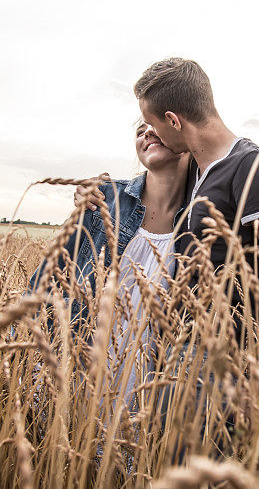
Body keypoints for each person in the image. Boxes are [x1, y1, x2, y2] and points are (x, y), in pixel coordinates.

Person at [133, 58, 259, 373]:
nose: (152, 134)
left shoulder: (251, 166)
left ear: (172, 121)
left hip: (215, 359)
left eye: (152, 123)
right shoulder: (196, 169)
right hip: (174, 352)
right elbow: (145, 189)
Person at [29, 119, 191, 409]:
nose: (146, 133)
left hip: (149, 401)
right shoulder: (104, 200)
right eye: (140, 130)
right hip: (78, 382)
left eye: (156, 123)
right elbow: (44, 284)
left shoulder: (202, 219)